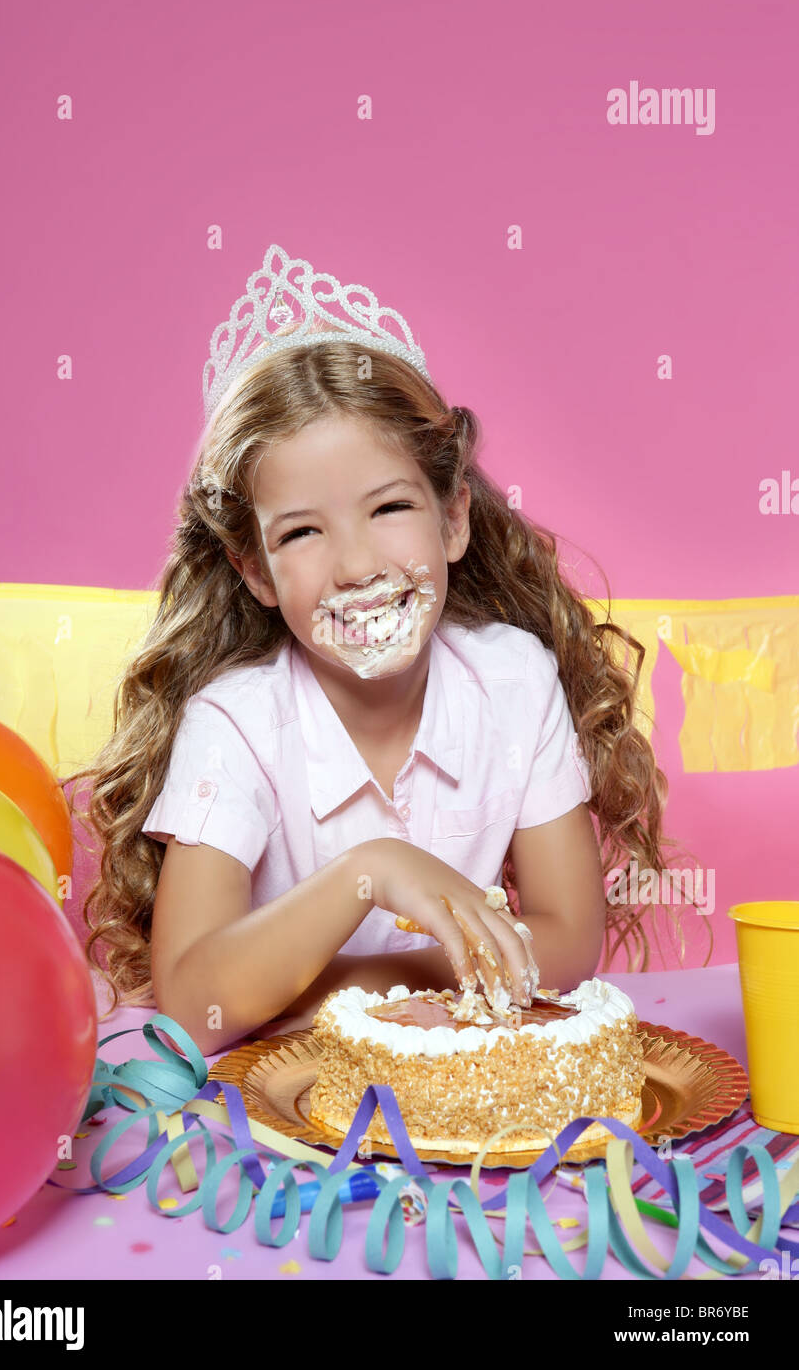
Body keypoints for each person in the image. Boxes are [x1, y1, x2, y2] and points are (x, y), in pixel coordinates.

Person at [67, 244, 707, 1055]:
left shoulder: (512, 679)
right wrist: (370, 870)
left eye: (389, 508)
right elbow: (196, 1007)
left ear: (454, 519)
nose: (360, 565)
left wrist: (315, 991)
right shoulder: (232, 725)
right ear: (255, 571)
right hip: (278, 1130)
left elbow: (570, 946)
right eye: (302, 531)